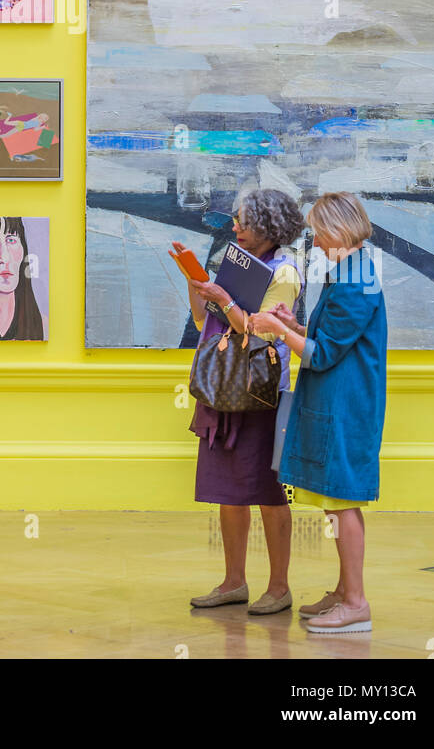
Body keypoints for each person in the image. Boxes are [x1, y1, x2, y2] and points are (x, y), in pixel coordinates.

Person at [251, 192, 386, 635]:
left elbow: (323, 354)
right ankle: (345, 590)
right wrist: (291, 324)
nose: (315, 239)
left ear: (338, 230)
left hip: (346, 405)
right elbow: (328, 337)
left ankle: (356, 601)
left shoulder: (355, 280)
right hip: (336, 401)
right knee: (333, 498)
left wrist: (275, 330)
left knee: (342, 499)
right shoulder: (350, 270)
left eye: (319, 231)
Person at [171, 188, 305, 614]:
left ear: (268, 226)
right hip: (222, 386)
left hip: (261, 393)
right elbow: (205, 321)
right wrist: (197, 286)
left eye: (244, 222)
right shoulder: (239, 263)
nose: (236, 228)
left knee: (268, 492)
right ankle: (233, 582)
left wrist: (224, 299)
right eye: (236, 221)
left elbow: (261, 332)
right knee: (229, 491)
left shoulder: (285, 272)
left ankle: (279, 587)